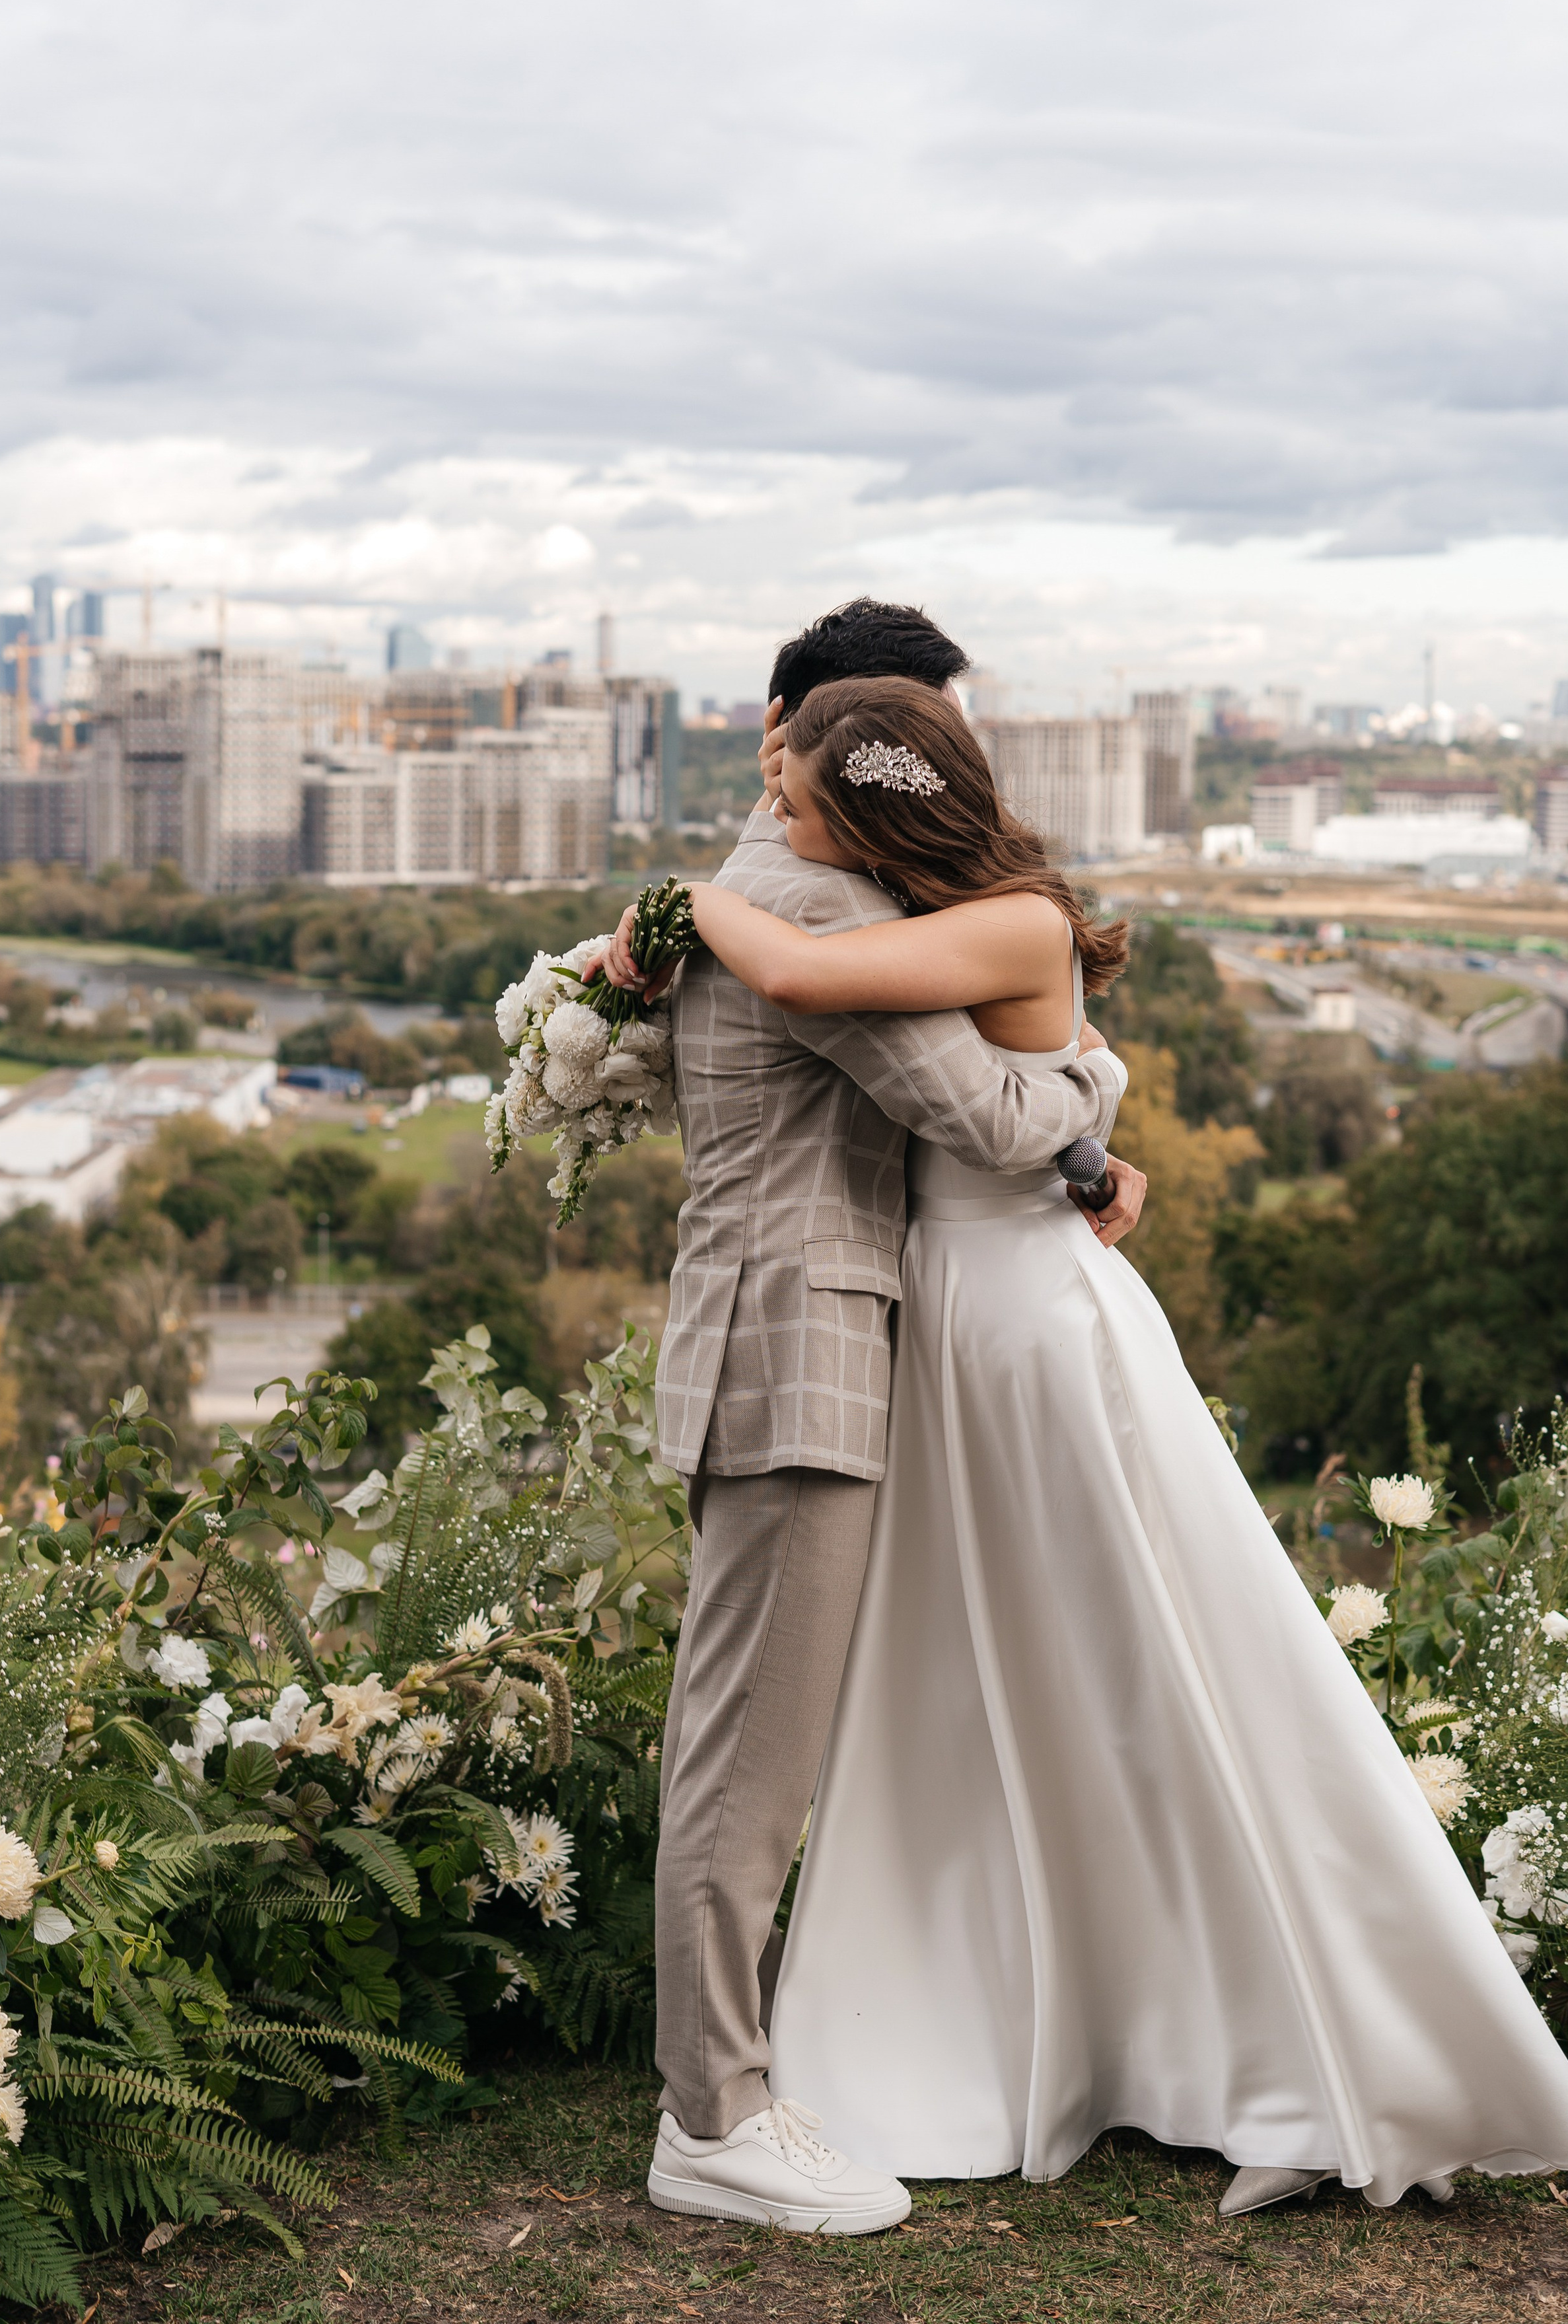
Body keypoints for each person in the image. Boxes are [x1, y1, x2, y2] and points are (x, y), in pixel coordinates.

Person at [604, 669, 1568, 2215]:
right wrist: (1081, 1116)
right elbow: (915, 1056)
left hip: (1016, 1334)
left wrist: (676, 914)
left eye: (796, 782)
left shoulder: (982, 918)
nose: (769, 802)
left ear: (875, 809)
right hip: (928, 1338)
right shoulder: (842, 904)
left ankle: (1292, 2043)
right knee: (1004, 1702)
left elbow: (912, 1059)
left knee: (1158, 1668)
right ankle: (1055, 2037)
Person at [618, 600, 1145, 2235]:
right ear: (810, 730)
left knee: (753, 1739)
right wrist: (1096, 1096)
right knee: (748, 1760)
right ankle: (713, 2117)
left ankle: (737, 2082)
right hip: (804, 1346)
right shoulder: (807, 907)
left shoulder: (754, 883)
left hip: (773, 1333)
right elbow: (973, 1109)